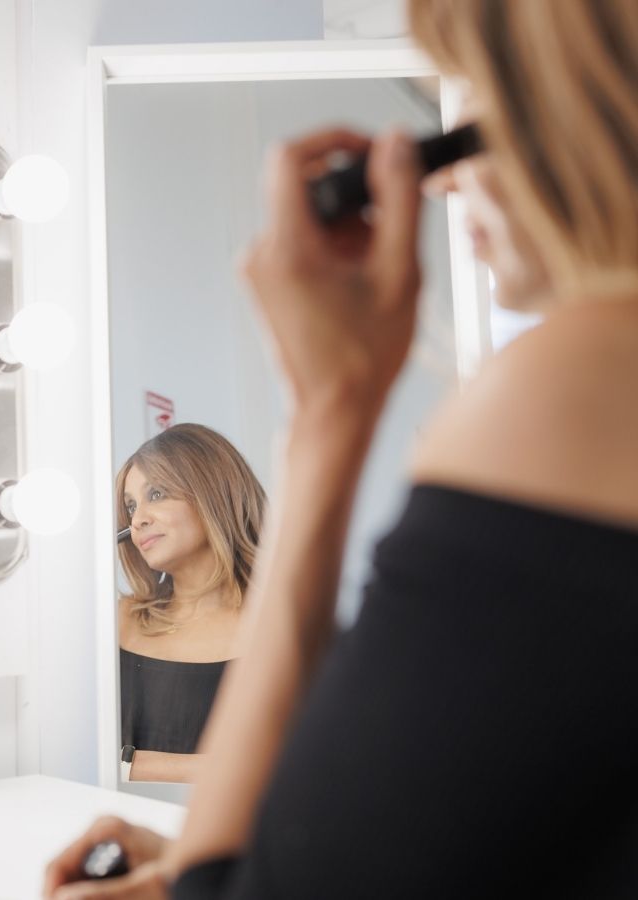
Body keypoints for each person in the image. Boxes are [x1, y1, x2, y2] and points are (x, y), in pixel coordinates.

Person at [46, 0, 638, 896]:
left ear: (567, 109)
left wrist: (329, 409)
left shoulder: (579, 384)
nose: (442, 179)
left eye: (473, 102)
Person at [115, 424, 265, 783]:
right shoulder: (116, 620)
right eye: (131, 506)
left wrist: (124, 766)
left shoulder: (282, 629)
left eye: (157, 493)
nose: (138, 519)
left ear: (214, 492)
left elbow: (281, 770)